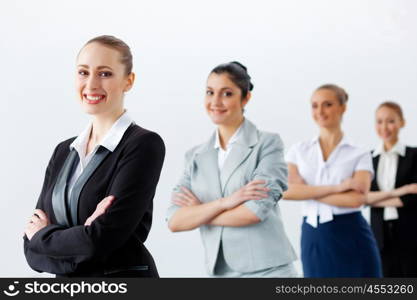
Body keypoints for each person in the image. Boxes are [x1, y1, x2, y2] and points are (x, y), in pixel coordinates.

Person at [23, 35, 165, 277]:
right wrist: (83, 238)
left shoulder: (143, 145)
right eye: (83, 72)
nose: (91, 84)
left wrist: (44, 237)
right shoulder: (63, 151)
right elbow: (31, 250)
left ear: (128, 81)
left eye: (105, 73)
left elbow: (101, 240)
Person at [166, 62, 297, 278]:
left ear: (245, 98)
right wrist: (224, 203)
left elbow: (254, 211)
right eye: (210, 92)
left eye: (227, 93)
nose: (215, 102)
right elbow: (175, 221)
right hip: (219, 273)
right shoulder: (195, 156)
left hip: (269, 271)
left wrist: (200, 211)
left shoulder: (267, 144)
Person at [283, 84, 382, 277]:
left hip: (352, 233)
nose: (320, 111)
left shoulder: (359, 152)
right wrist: (341, 187)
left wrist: (307, 191)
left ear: (343, 107)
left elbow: (356, 200)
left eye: (327, 104)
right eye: (314, 105)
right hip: (314, 236)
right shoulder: (298, 151)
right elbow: (286, 191)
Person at [367, 101, 417, 277]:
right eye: (379, 121)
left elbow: (414, 199)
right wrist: (401, 192)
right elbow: (363, 198)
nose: (384, 127)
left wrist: (375, 199)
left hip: (410, 232)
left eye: (390, 121)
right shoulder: (368, 159)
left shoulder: (414, 156)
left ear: (401, 122)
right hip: (379, 235)